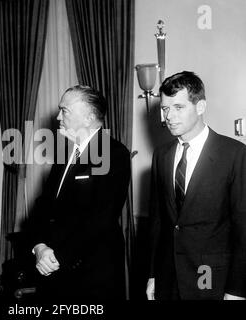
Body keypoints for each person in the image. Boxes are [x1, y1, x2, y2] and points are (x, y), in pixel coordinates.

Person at [146, 71, 246, 300]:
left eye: (178, 107)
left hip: (211, 278)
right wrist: (153, 274)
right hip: (168, 278)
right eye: (165, 108)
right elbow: (157, 222)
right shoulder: (161, 155)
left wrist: (237, 290)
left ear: (200, 107)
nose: (168, 116)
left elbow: (244, 228)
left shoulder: (234, 154)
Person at [31, 85, 130, 302]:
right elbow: (43, 206)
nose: (58, 116)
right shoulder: (65, 151)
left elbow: (100, 219)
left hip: (90, 274)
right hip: (53, 268)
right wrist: (39, 246)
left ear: (88, 118)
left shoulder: (114, 153)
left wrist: (56, 258)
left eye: (65, 111)